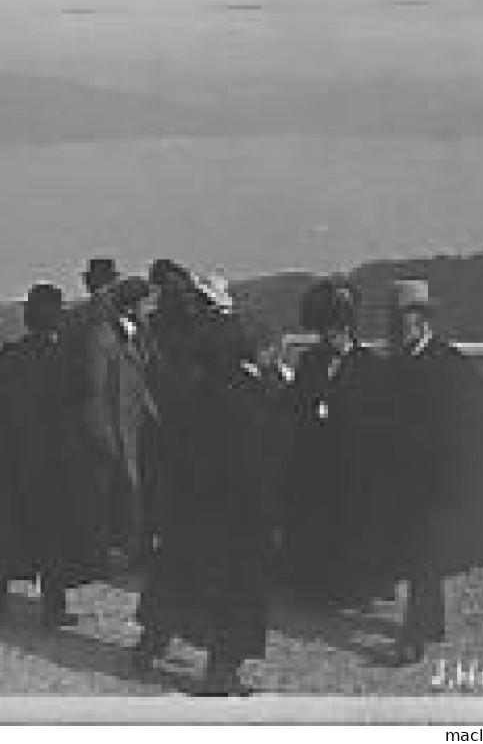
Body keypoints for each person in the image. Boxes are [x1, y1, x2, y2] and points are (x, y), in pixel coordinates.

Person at [133, 271, 276, 696]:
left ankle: (148, 646)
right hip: (235, 512)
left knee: (175, 576)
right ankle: (221, 673)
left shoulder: (203, 388)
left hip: (191, 501)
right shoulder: (248, 397)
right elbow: (253, 465)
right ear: (260, 352)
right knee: (235, 589)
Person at [379, 280, 483, 667]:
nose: (396, 327)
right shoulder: (396, 362)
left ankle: (412, 638)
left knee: (423, 550)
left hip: (440, 474)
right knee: (415, 548)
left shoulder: (448, 362)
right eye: (393, 319)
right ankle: (433, 622)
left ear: (423, 321)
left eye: (404, 319)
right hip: (406, 474)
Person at [0, 283, 101, 628]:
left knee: (7, 529)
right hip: (55, 458)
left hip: (12, 455)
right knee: (53, 532)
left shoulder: (9, 357)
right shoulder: (67, 360)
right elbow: (82, 394)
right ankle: (52, 607)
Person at [279, 278, 395, 609]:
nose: (328, 338)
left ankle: (355, 587)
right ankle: (319, 584)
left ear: (347, 329)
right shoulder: (310, 361)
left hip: (353, 458)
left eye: (333, 332)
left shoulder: (371, 366)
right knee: (320, 521)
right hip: (317, 457)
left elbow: (375, 417)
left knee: (353, 522)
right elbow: (297, 404)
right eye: (324, 332)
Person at [69, 274, 157, 568]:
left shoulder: (141, 335)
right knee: (104, 495)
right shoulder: (102, 337)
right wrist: (102, 434)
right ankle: (97, 556)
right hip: (112, 428)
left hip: (134, 425)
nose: (152, 308)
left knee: (129, 493)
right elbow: (95, 391)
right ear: (132, 306)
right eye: (147, 303)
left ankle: (127, 550)